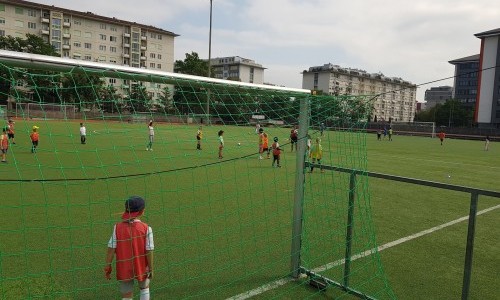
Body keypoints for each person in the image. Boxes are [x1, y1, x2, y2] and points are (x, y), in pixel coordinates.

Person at [105, 196, 154, 300]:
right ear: (142, 211)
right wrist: (151, 268)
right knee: (144, 288)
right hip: (141, 266)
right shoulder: (146, 228)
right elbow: (149, 250)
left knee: (126, 294)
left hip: (124, 267)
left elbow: (111, 248)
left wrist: (108, 265)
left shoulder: (117, 228)